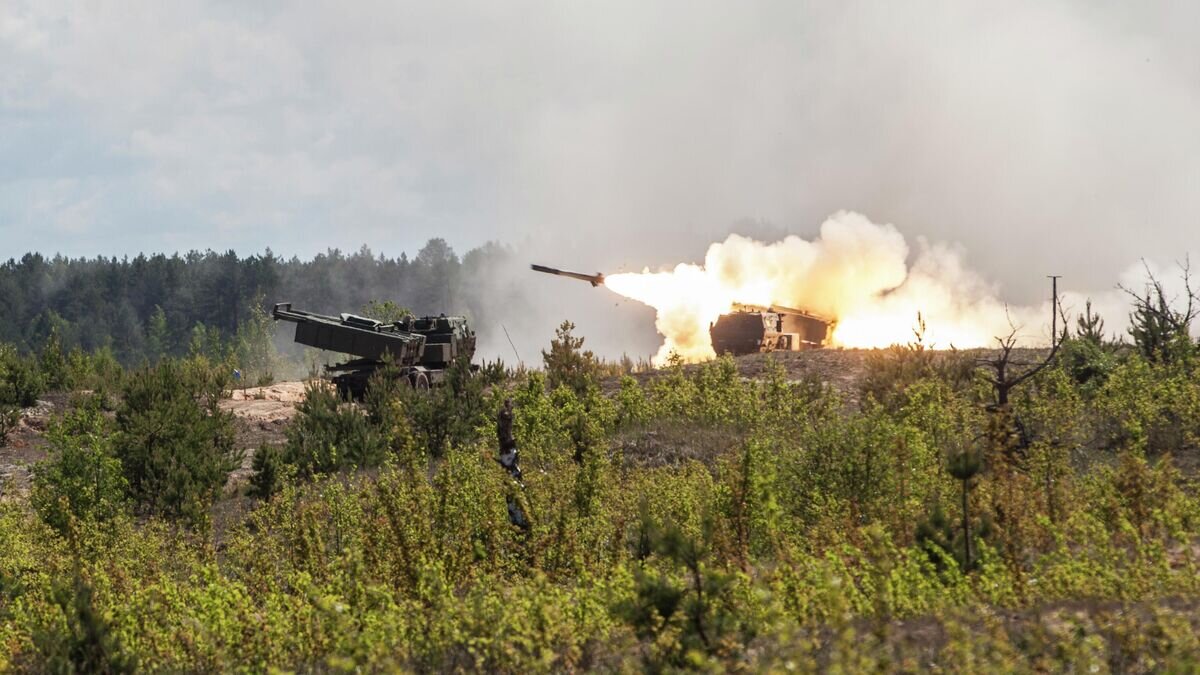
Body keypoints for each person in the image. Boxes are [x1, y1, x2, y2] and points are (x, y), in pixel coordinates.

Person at [496, 398, 522, 482]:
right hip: (506, 444)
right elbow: (506, 423)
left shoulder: (505, 415)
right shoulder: (504, 414)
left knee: (513, 461)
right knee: (510, 463)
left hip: (507, 443)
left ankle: (514, 478)